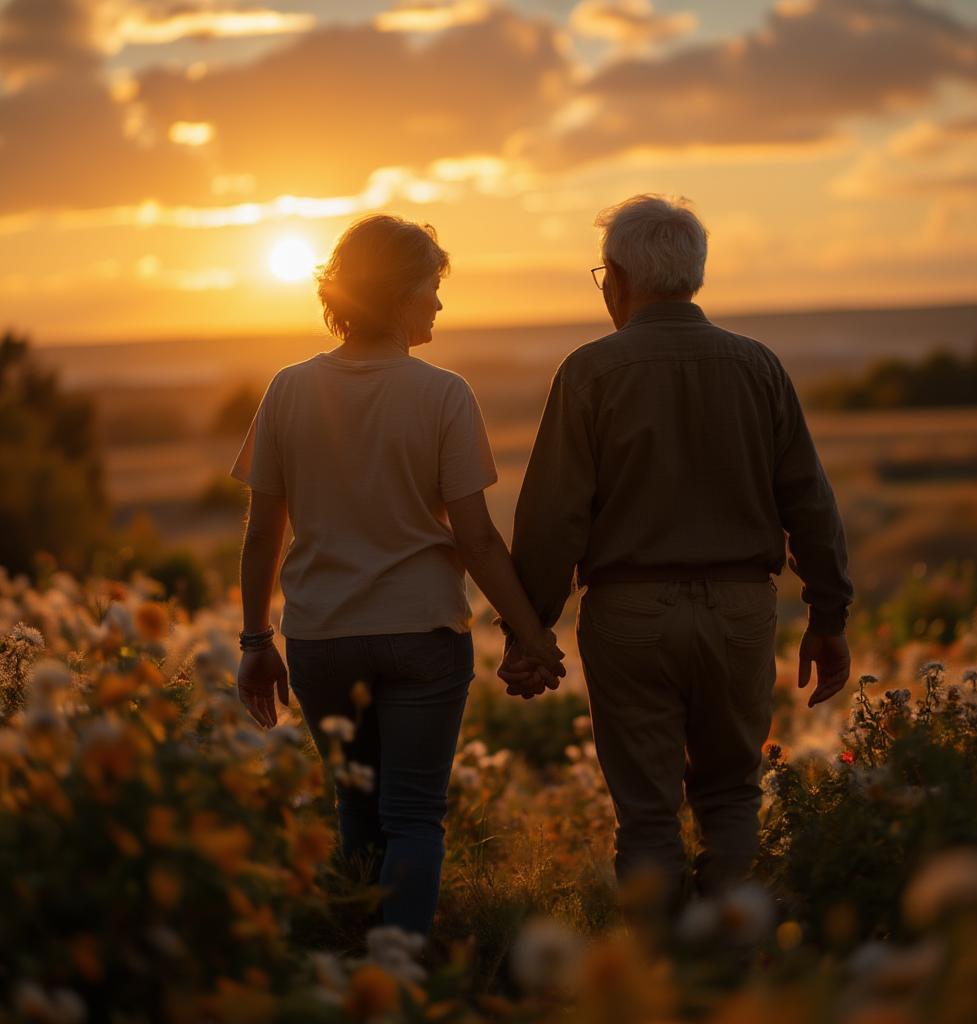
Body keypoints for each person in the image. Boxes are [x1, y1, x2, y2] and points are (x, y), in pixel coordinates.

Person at [498, 194, 853, 906]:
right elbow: (809, 502)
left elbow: (553, 518)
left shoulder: (589, 372)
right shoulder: (759, 367)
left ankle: (657, 977)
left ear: (619, 279)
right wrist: (829, 616)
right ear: (693, 276)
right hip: (742, 611)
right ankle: (729, 959)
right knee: (730, 795)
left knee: (648, 814)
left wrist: (529, 633)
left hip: (629, 615)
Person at [229, 214, 564, 937]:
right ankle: (401, 976)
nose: (438, 304)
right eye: (431, 288)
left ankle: (359, 972)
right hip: (422, 636)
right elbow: (475, 537)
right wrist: (532, 635)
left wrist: (257, 640)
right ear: (398, 294)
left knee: (357, 809)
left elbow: (262, 534)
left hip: (323, 639)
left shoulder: (288, 389)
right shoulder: (444, 395)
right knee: (414, 817)